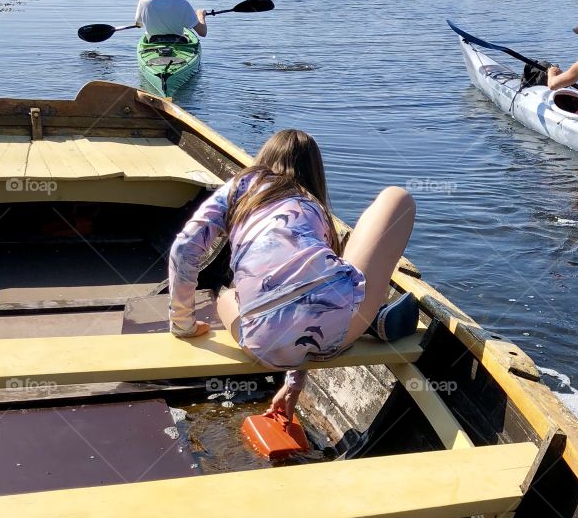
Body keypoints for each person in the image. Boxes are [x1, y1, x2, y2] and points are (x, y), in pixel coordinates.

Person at [168, 130, 417, 419]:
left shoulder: (241, 186)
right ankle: (372, 317)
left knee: (226, 296)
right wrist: (295, 383)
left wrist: (182, 321)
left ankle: (370, 316)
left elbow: (186, 246)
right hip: (341, 329)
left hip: (262, 346)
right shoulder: (315, 208)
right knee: (397, 198)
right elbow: (304, 290)